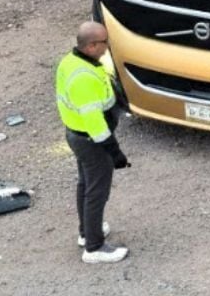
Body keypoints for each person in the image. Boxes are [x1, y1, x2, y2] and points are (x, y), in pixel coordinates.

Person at [55, 21, 132, 263]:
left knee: (86, 185)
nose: (107, 46)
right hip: (91, 141)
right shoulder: (83, 79)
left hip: (77, 135)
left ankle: (86, 232)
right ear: (90, 46)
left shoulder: (72, 61)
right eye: (104, 43)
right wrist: (115, 153)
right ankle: (95, 248)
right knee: (96, 192)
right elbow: (95, 123)